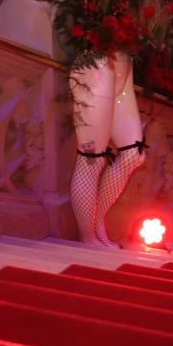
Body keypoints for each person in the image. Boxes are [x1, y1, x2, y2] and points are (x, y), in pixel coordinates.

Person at [68, 54, 147, 250]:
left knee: (133, 155)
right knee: (91, 158)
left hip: (124, 61)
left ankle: (98, 221)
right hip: (97, 61)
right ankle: (87, 237)